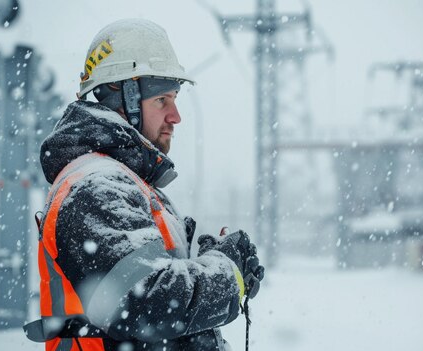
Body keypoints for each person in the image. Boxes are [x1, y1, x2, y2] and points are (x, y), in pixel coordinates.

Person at [23, 19, 265, 351]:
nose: (176, 115)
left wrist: (209, 257)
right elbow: (148, 302)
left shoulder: (130, 186)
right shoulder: (96, 187)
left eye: (175, 98)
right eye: (162, 100)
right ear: (125, 101)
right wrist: (226, 274)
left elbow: (156, 285)